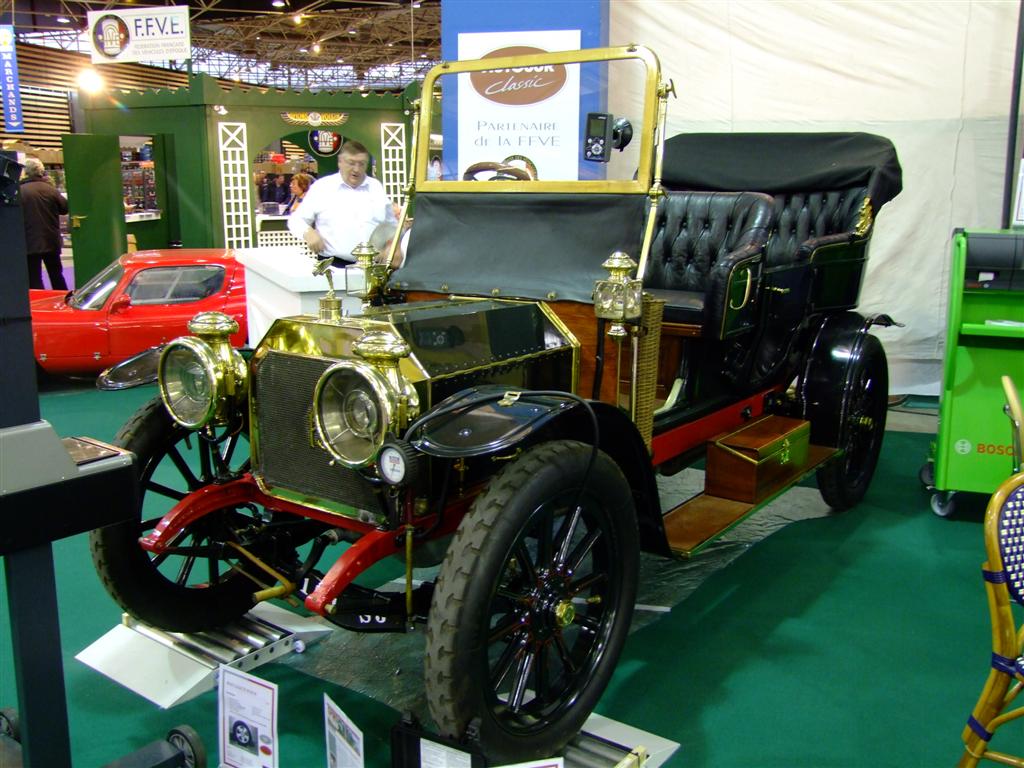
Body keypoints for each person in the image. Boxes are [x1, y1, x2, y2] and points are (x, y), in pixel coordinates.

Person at [288, 140, 396, 264]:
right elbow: (296, 220)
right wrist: (308, 232)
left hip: (373, 266)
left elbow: (392, 225)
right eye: (351, 163)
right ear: (340, 162)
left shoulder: (376, 188)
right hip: (333, 266)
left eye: (361, 164)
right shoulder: (322, 187)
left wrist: (392, 246)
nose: (356, 169)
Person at [20, 157, 68, 291]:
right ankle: (63, 297)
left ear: (26, 172)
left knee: (34, 277)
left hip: (30, 241)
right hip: (51, 240)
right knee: (56, 274)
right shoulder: (51, 190)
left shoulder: (21, 191)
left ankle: (39, 301)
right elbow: (64, 208)